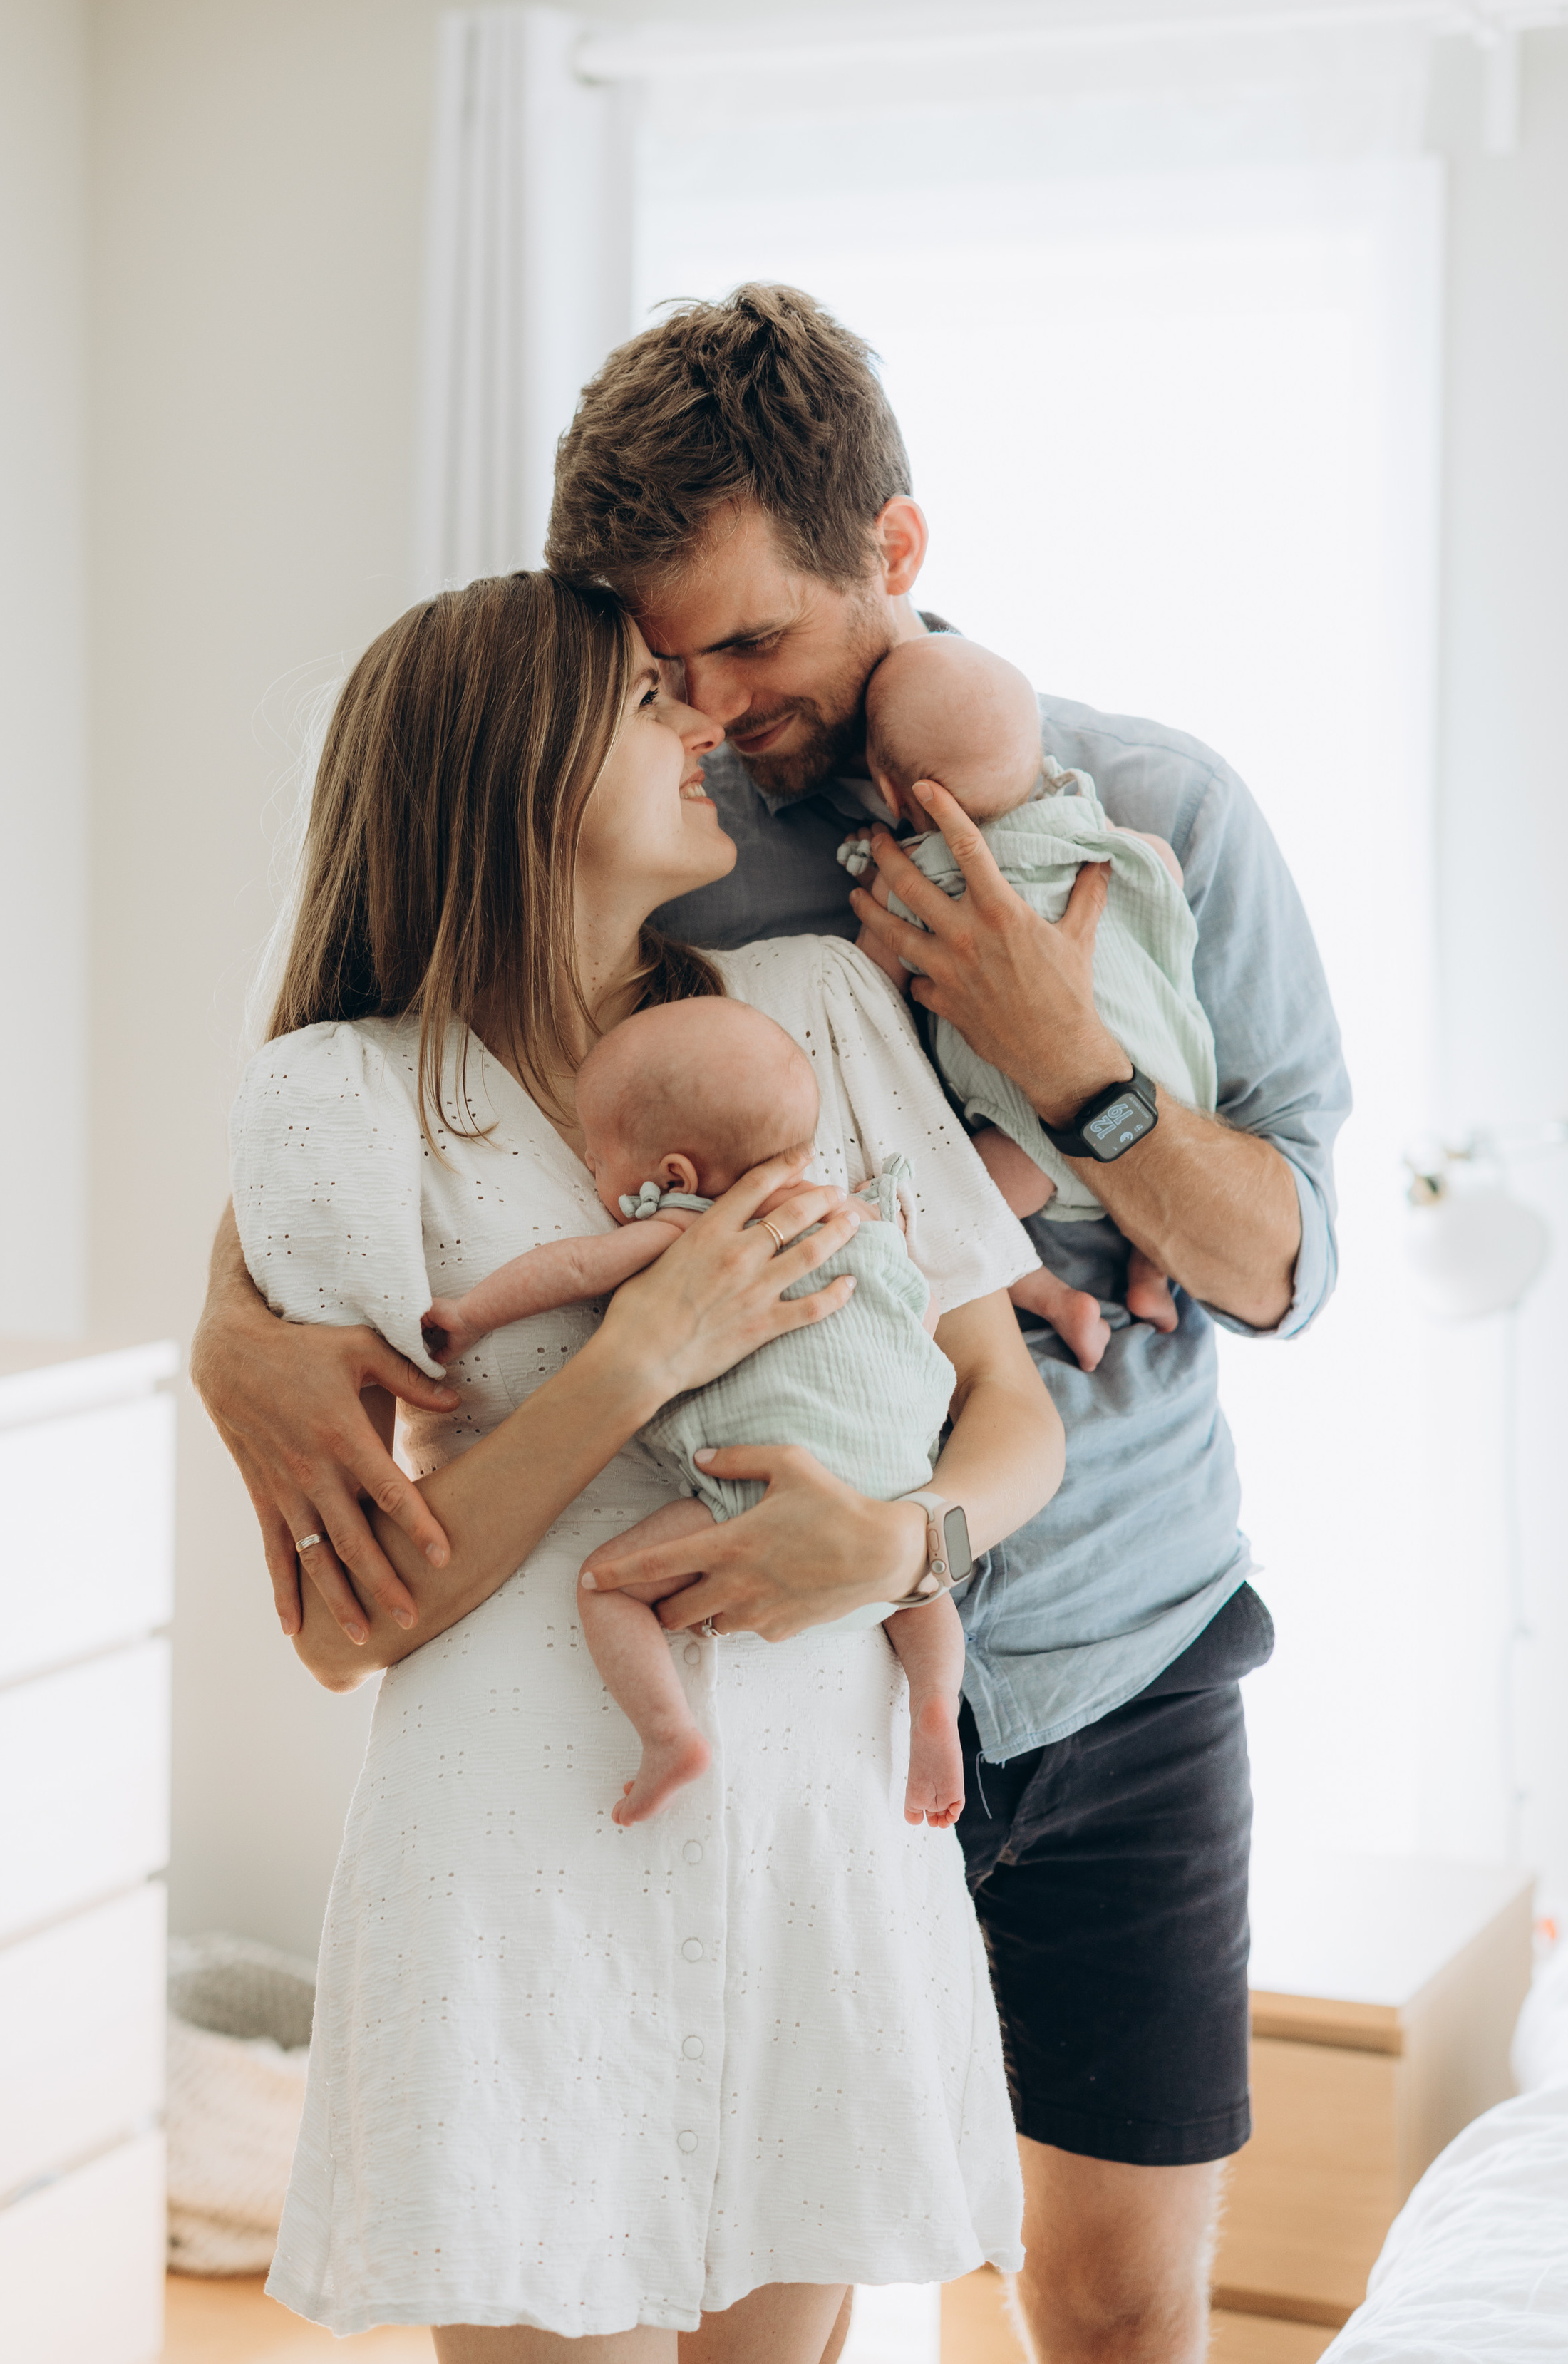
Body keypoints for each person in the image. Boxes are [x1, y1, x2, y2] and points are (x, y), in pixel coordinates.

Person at [193, 284, 1349, 2364]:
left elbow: (1278, 1264)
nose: (710, 707)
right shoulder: (676, 854)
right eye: (658, 663)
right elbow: (429, 1025)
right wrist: (226, 1323)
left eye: (748, 644)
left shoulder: (1148, 816)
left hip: (1102, 1644)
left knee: (1098, 2296)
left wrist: (1063, 1062)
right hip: (762, 1709)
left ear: (890, 558)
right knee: (738, 2248)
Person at [222, 570, 1064, 2352]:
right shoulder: (345, 1097)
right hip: (524, 1856)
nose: (702, 724)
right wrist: (639, 1357)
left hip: (811, 1829)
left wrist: (905, 1548)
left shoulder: (816, 1012)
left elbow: (1008, 1409)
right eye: (641, 702)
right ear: (512, 770)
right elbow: (334, 1627)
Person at [423, 993, 1061, 1831]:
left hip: (756, 1485)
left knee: (606, 1589)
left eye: (594, 1157)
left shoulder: (689, 1231)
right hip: (896, 1488)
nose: (588, 1169)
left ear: (673, 1177)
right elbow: (921, 1311)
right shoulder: (855, 1220)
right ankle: (937, 1710)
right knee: (922, 1592)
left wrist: (468, 1316)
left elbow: (570, 1267)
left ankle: (667, 1735)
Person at [839, 629, 1214, 1373]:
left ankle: (1050, 1299)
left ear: (891, 792)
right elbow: (1156, 866)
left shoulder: (918, 874)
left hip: (1035, 1142)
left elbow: (856, 993)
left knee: (946, 1207)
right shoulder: (1080, 813)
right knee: (1141, 1214)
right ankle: (1148, 1273)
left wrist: (870, 889)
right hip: (1177, 1098)